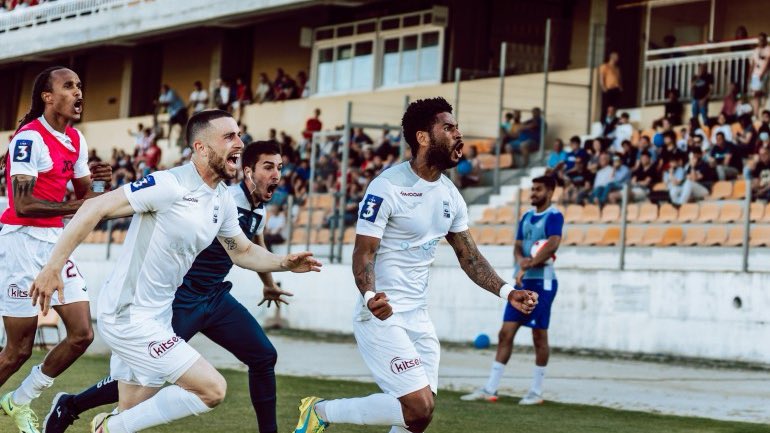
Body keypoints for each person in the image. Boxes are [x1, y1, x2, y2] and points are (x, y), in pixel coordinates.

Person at [28, 110, 322, 433]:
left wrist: (284, 263)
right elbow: (94, 207)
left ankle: (89, 416)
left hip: (161, 314)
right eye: (229, 136)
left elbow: (243, 250)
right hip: (128, 314)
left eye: (239, 135)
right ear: (201, 148)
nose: (239, 142)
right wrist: (53, 267)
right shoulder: (169, 184)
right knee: (212, 389)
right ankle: (108, 427)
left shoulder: (221, 199)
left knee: (131, 409)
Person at [291, 97, 538, 433]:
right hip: (382, 314)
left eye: (457, 127)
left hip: (419, 317)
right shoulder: (387, 187)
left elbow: (470, 257)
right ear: (423, 137)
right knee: (418, 408)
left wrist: (508, 291)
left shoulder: (451, 195)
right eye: (448, 128)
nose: (458, 135)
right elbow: (363, 253)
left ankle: (321, 412)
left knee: (418, 417)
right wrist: (370, 296)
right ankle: (321, 411)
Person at [0, 66, 112, 433]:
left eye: (80, 85)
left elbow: (87, 196)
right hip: (20, 242)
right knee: (18, 350)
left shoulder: (75, 139)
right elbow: (23, 205)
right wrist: (82, 205)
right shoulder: (29, 139)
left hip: (55, 244)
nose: (78, 92)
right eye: (68, 86)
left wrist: (101, 185)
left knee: (82, 334)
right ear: (47, 97)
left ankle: (19, 400)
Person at [461, 176, 563, 405]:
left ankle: (536, 392)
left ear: (550, 192)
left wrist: (530, 264)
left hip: (543, 283)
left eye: (538, 189)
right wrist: (521, 262)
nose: (533, 193)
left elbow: (553, 243)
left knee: (539, 335)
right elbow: (517, 246)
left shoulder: (554, 216)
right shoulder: (526, 216)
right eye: (532, 189)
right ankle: (490, 388)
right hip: (523, 283)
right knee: (505, 333)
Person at [749, 33, 770, 117]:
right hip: (755, 74)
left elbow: (768, 62)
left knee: (761, 92)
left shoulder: (768, 49)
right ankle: (756, 114)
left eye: (762, 39)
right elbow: (753, 63)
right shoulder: (756, 50)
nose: (761, 41)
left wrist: (763, 74)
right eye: (759, 39)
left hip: (764, 74)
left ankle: (764, 112)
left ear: (765, 40)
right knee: (755, 94)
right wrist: (750, 75)